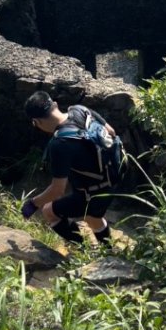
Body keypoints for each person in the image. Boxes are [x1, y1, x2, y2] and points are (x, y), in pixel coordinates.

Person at [20, 91, 119, 246]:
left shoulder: (59, 144)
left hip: (93, 192)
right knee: (93, 217)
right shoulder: (80, 110)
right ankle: (107, 249)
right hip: (114, 175)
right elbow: (111, 132)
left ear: (37, 122)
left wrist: (33, 204)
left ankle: (82, 248)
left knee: (49, 212)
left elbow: (57, 190)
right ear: (55, 104)